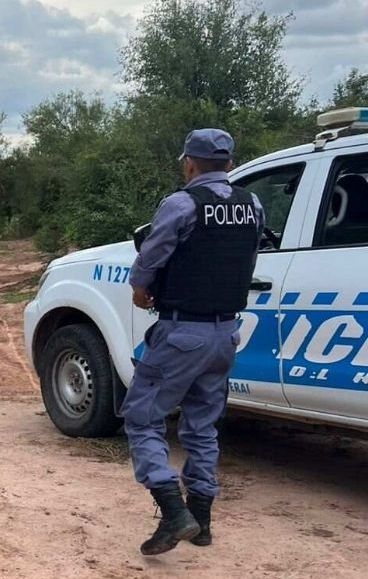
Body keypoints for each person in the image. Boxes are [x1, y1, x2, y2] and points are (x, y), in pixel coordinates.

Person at [122, 129, 264, 555]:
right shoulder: (252, 204)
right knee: (202, 425)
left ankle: (172, 511)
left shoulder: (181, 203)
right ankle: (201, 521)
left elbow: (151, 256)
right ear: (231, 165)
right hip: (226, 333)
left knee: (142, 418)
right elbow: (248, 258)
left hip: (183, 331)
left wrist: (139, 288)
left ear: (189, 163)